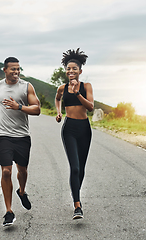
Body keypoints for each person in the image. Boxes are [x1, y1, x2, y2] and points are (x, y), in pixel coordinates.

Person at [0, 57, 41, 227]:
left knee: (22, 170)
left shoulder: (26, 86)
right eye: (13, 69)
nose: (16, 72)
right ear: (5, 70)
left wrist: (19, 107)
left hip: (22, 136)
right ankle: (9, 211)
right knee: (6, 171)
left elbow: (37, 109)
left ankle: (22, 191)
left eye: (18, 69)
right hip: (3, 135)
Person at [54, 48, 94, 220]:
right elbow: (57, 99)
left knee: (82, 169)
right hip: (69, 128)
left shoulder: (87, 87)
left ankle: (75, 192)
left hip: (84, 128)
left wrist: (77, 93)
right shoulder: (62, 88)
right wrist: (58, 112)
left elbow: (90, 107)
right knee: (75, 167)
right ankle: (77, 205)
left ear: (80, 71)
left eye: (74, 69)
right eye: (68, 69)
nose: (71, 71)